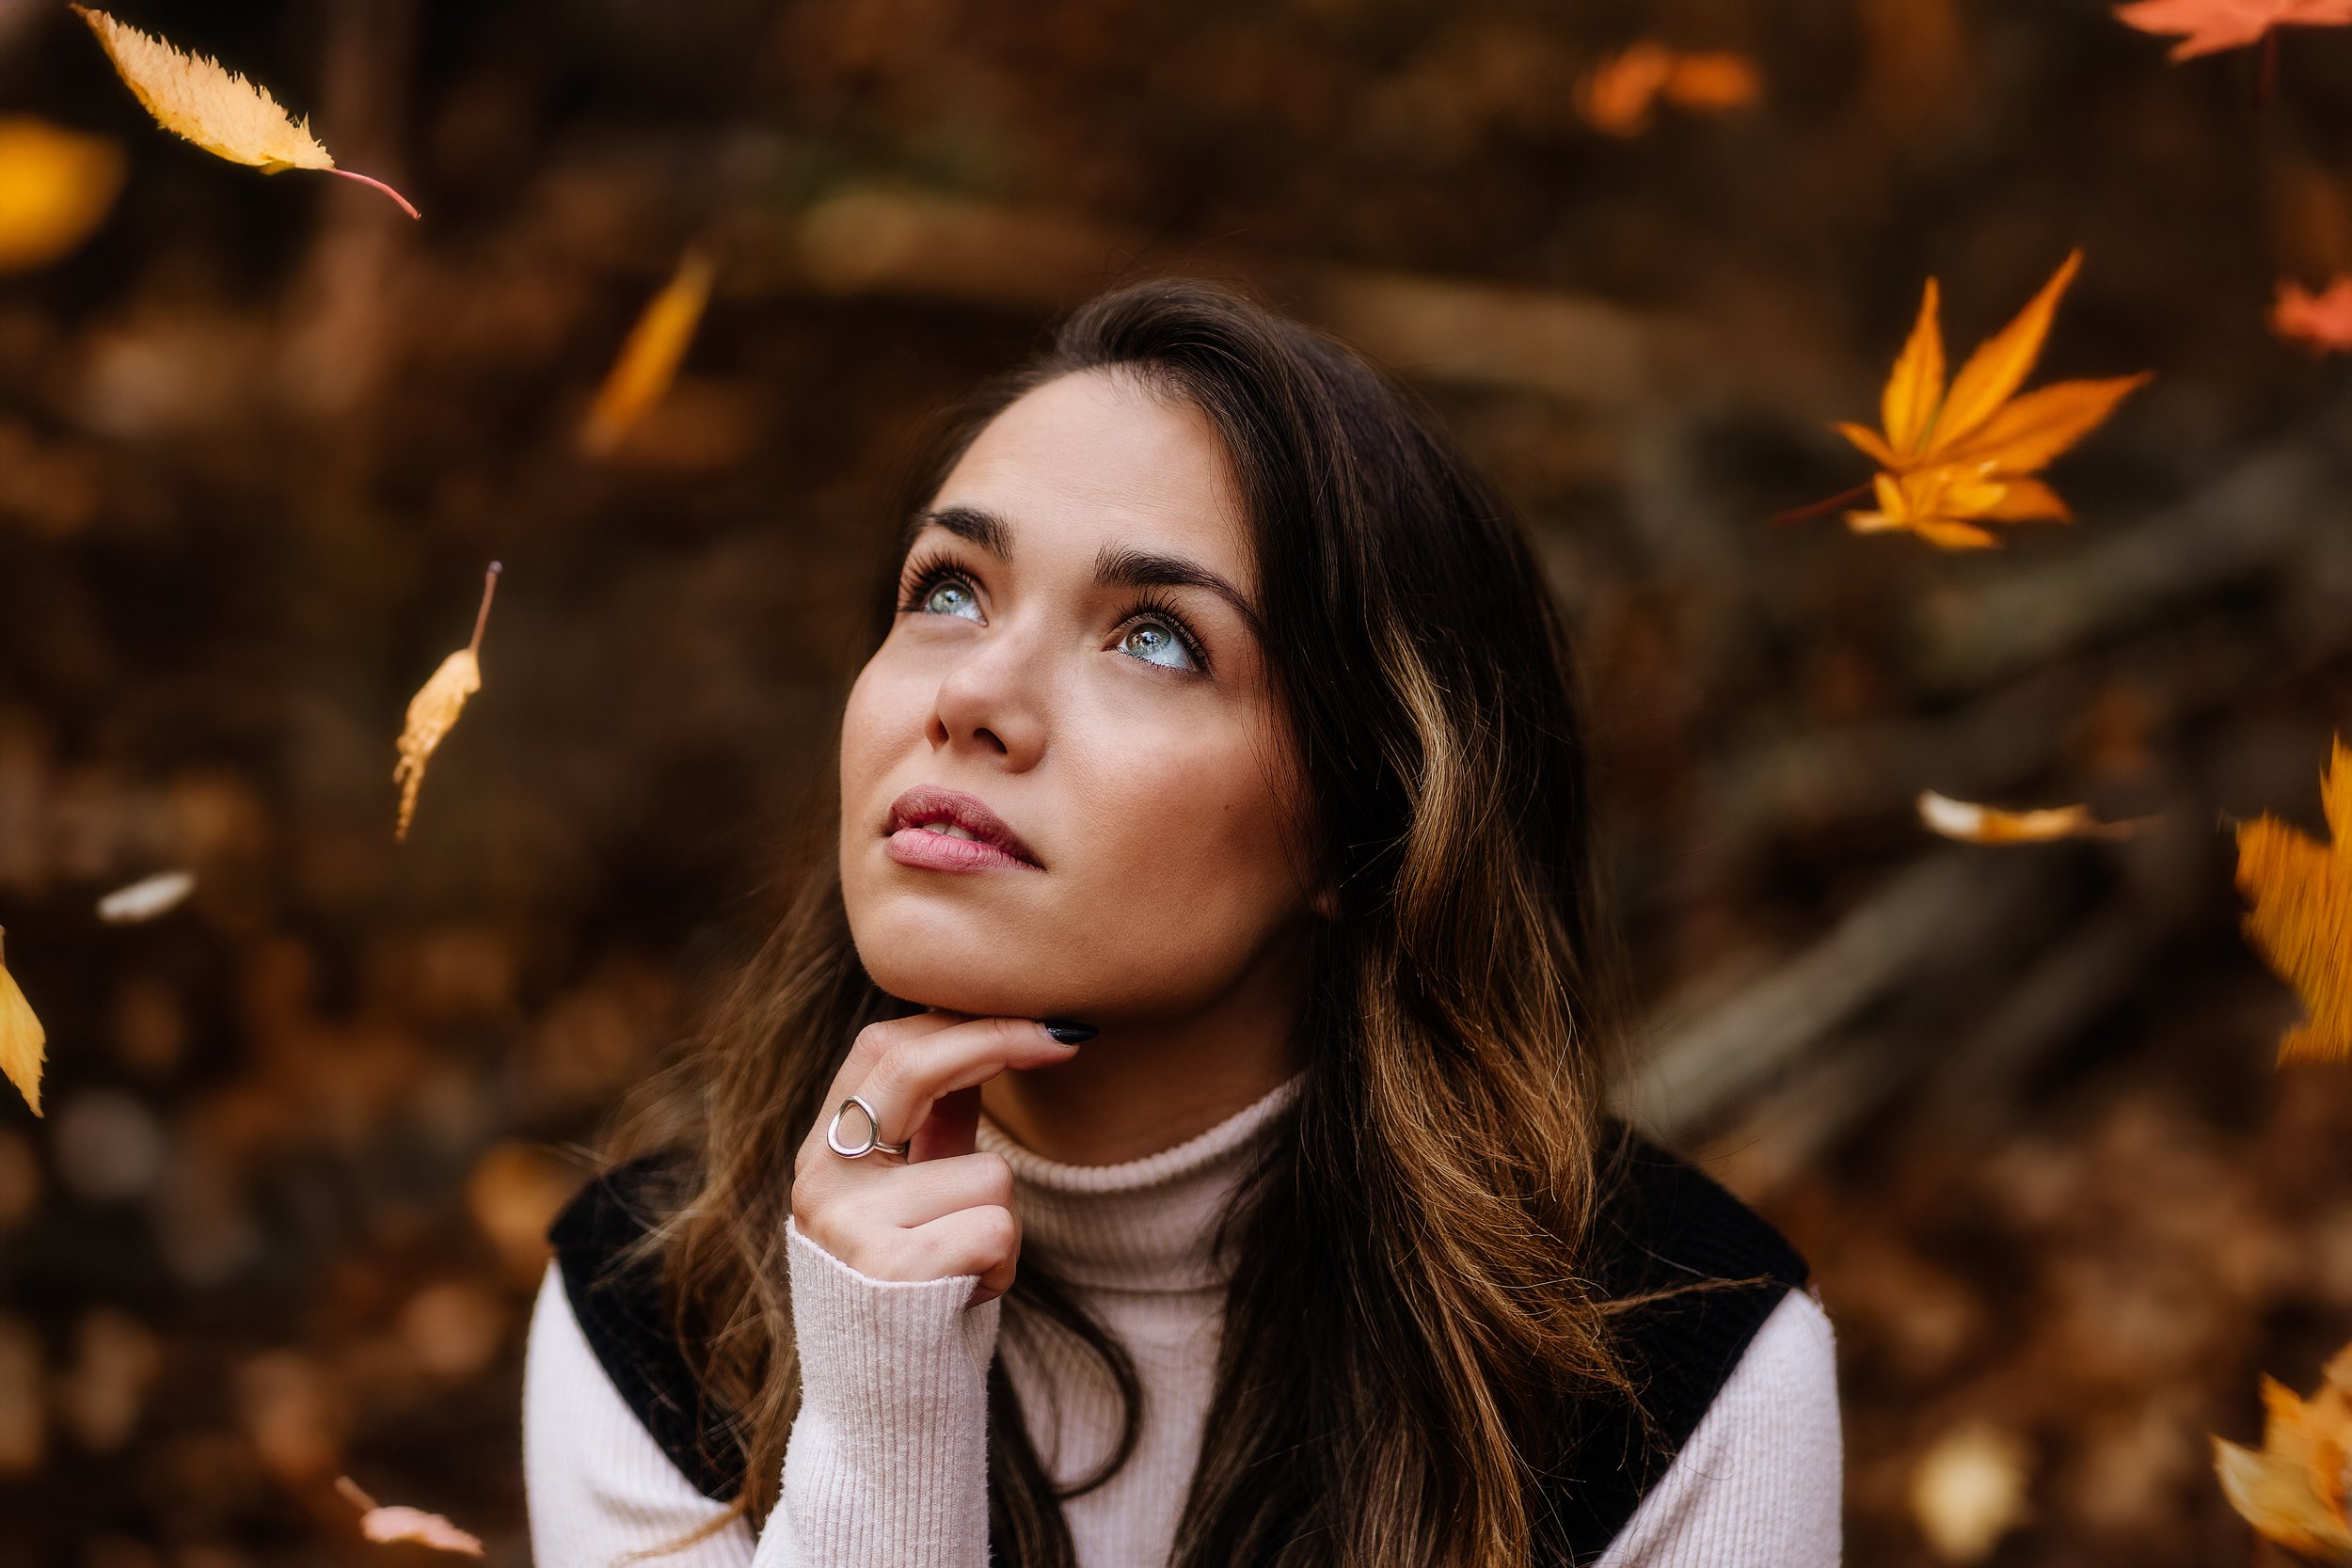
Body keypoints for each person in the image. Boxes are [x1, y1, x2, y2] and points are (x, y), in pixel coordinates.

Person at [522, 278, 1843, 1568]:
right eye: (950, 591)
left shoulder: (1668, 1370)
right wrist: (878, 1409)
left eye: (1155, 638)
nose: (973, 695)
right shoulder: (655, 1309)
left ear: (1368, 826)